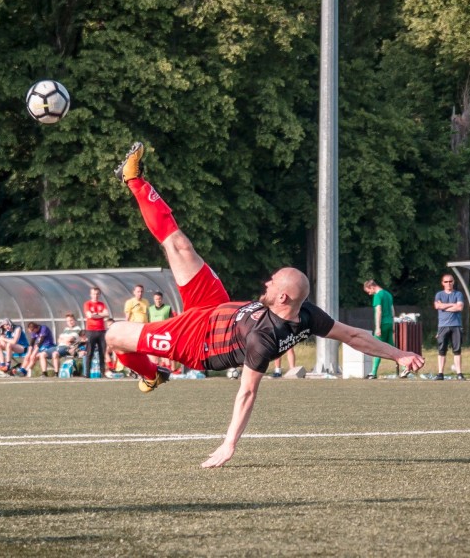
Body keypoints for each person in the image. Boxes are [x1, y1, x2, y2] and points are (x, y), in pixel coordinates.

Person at [105, 141, 424, 468]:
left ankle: (152, 375)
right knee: (179, 244)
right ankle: (134, 179)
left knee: (114, 335)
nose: (266, 283)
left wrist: (229, 444)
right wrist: (399, 354)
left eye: (272, 283)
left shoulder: (263, 338)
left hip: (196, 341)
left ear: (283, 298)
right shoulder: (307, 314)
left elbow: (247, 393)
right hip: (215, 306)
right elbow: (354, 335)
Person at [434, 275, 465, 380]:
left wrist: (444, 306)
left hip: (456, 325)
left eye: (450, 281)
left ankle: (459, 373)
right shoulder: (439, 294)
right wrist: (452, 305)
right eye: (446, 281)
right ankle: (440, 373)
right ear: (442, 283)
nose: (448, 283)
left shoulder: (458, 294)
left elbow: (459, 307)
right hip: (443, 326)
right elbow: (437, 306)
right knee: (441, 350)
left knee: (457, 350)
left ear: (453, 282)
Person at [363, 280, 395, 379]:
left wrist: (377, 327)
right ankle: (404, 368)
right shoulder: (388, 294)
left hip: (382, 324)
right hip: (389, 323)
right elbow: (392, 310)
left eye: (369, 291)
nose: (369, 293)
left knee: (376, 347)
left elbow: (378, 311)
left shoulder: (377, 296)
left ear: (372, 287)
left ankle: (373, 372)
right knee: (392, 348)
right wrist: (393, 324)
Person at [83, 287, 111, 377]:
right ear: (90, 294)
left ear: (99, 294)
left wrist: (96, 314)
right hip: (90, 331)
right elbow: (89, 316)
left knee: (102, 352)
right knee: (89, 352)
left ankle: (102, 373)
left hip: (101, 331)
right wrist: (101, 315)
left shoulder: (102, 304)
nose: (95, 295)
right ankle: (87, 373)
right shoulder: (87, 304)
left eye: (97, 294)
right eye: (94, 294)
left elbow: (107, 314)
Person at [148, 290, 179, 372]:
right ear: (154, 299)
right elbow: (148, 322)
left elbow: (172, 321)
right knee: (154, 353)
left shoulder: (167, 308)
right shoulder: (150, 309)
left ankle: (168, 369)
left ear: (162, 299)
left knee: (165, 353)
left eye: (159, 299)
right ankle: (155, 369)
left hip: (164, 334)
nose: (158, 301)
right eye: (156, 299)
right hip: (154, 334)